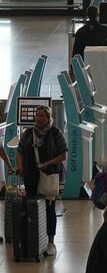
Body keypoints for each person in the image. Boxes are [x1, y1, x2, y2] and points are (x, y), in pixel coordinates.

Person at [17, 105, 67, 256]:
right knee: (32, 207)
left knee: (49, 208)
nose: (39, 118)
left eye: (42, 116)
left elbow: (63, 155)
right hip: (30, 176)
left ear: (48, 117)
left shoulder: (55, 133)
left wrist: (46, 164)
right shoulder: (28, 134)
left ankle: (51, 242)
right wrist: (21, 168)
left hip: (49, 175)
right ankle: (35, 239)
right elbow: (20, 152)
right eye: (37, 115)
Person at [71, 5, 107, 71]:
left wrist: (72, 67)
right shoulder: (106, 31)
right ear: (98, 15)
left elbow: (76, 51)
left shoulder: (80, 32)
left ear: (87, 15)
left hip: (85, 67)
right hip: (104, 67)